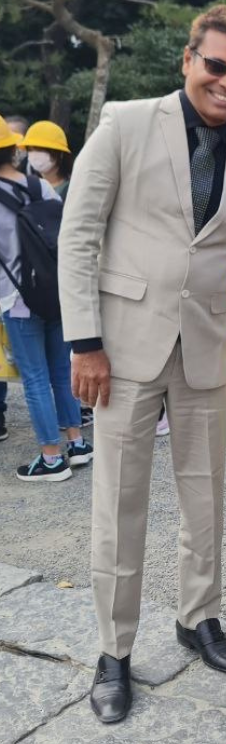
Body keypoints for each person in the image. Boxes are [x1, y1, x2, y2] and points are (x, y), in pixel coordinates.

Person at [58, 4, 226, 725]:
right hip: (122, 346)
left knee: (204, 496)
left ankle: (199, 617)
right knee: (118, 503)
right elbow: (78, 234)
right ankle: (114, 651)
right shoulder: (125, 124)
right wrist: (84, 341)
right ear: (188, 60)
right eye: (216, 66)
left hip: (206, 346)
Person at [0, 115, 92, 482]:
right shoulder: (41, 187)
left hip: (17, 300)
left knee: (35, 377)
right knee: (60, 371)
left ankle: (51, 459)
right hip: (57, 293)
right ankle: (77, 443)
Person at [21, 121, 73, 202]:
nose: (35, 155)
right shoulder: (26, 186)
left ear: (60, 154)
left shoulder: (72, 189)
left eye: (40, 150)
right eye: (30, 150)